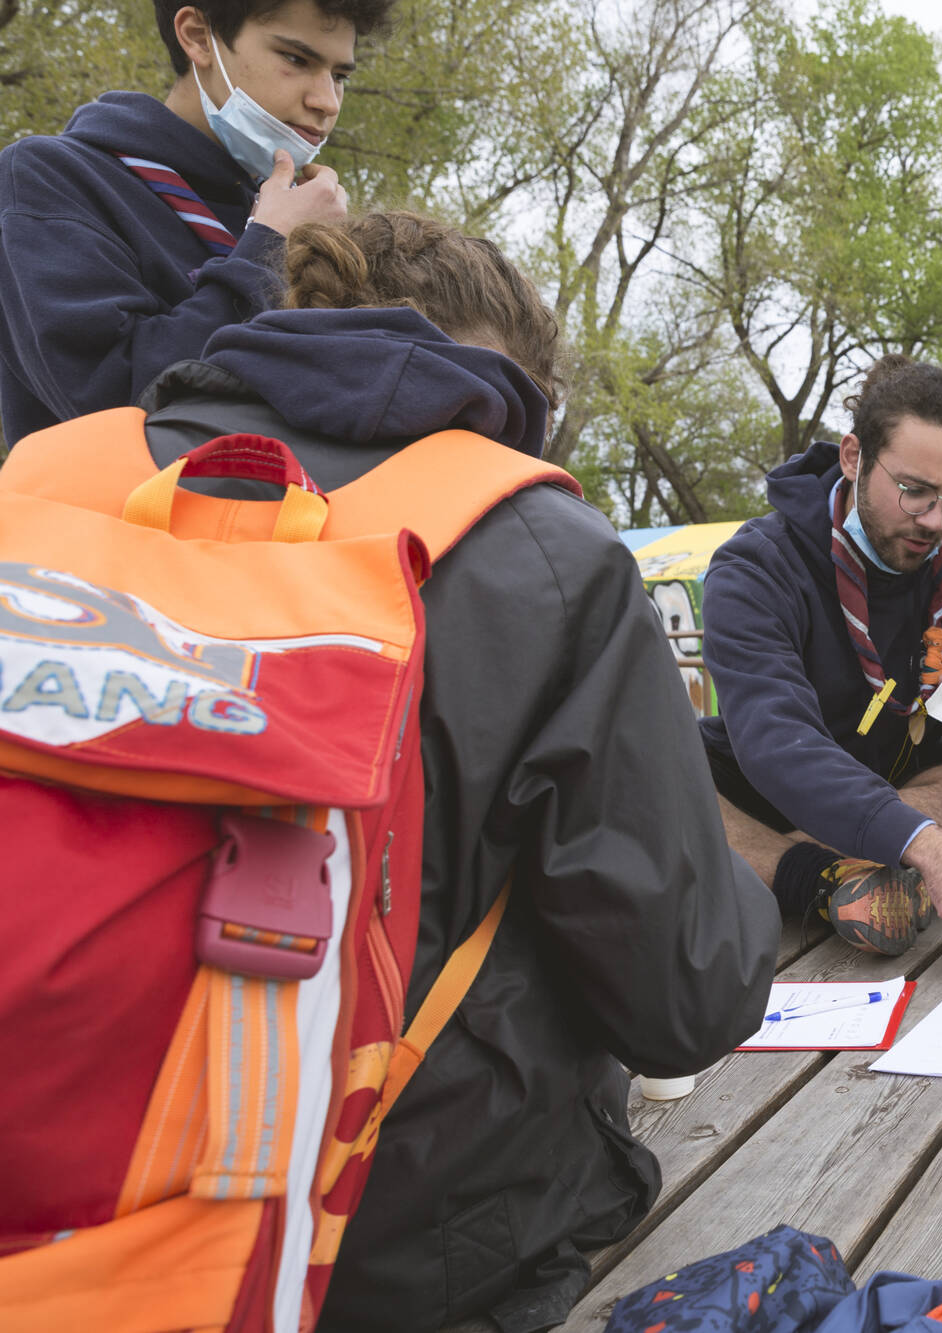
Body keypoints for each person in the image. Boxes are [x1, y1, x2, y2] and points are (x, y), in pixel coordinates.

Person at [132, 211, 779, 1330]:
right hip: (380, 1245)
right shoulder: (543, 553)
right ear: (500, 393)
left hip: (66, 1189)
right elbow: (688, 996)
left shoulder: (58, 479)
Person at [700, 355, 942, 961]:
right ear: (854, 458)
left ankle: (792, 869)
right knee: (652, 764)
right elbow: (775, 744)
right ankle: (817, 879)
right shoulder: (754, 566)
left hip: (906, 787)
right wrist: (933, 850)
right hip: (766, 790)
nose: (935, 521)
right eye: (914, 492)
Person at [0, 0, 372, 446]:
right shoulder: (51, 176)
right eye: (296, 59)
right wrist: (271, 251)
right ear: (197, 36)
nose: (327, 102)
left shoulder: (294, 208)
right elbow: (104, 401)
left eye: (340, 76)